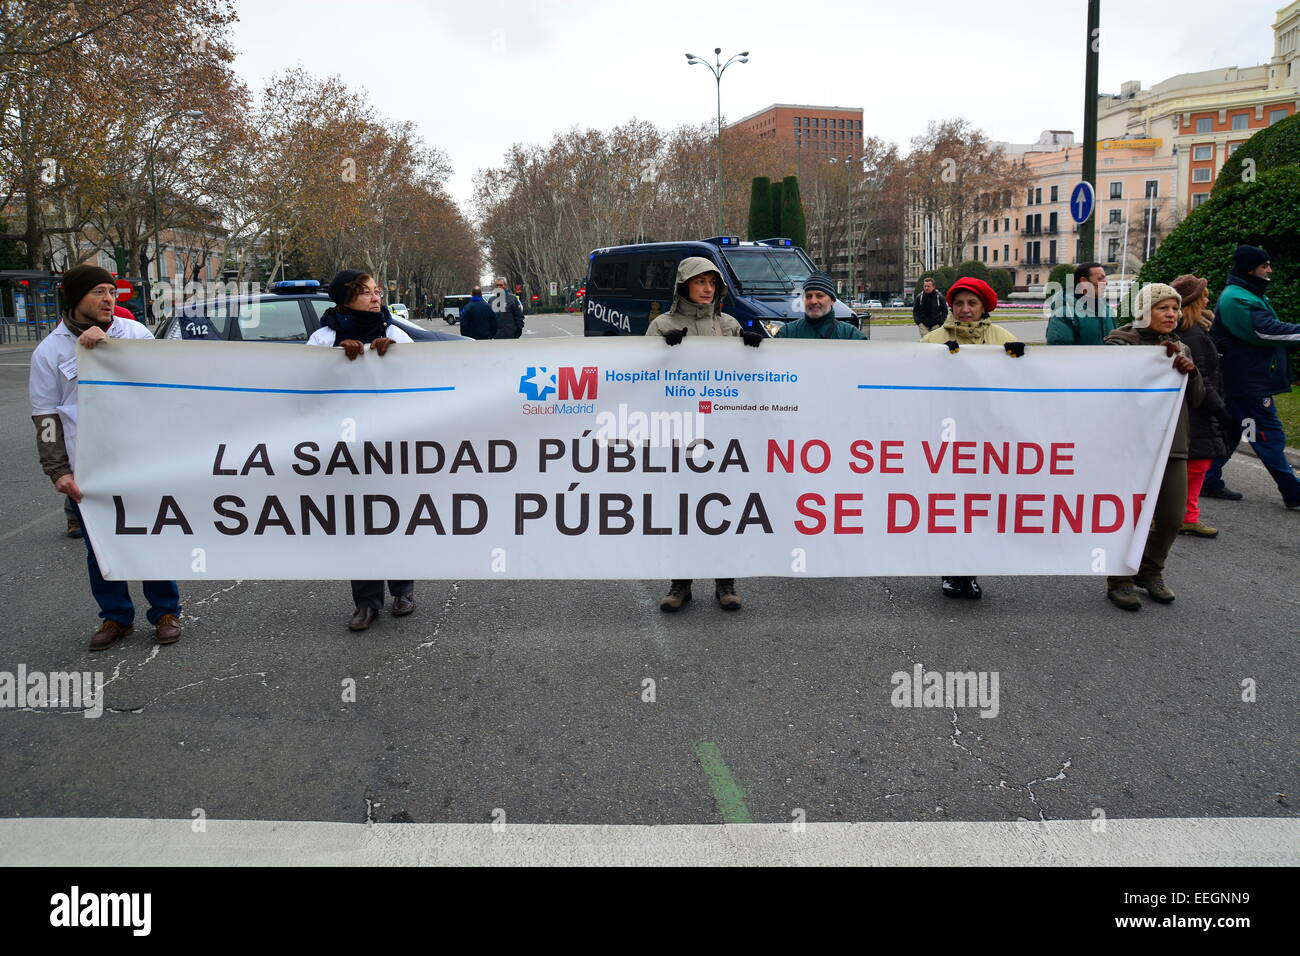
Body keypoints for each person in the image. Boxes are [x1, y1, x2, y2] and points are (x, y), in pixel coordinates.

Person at [30, 265, 183, 651]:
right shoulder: (49, 351)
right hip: (90, 468)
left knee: (150, 535)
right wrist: (58, 471)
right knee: (100, 547)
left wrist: (114, 349)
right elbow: (46, 417)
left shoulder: (134, 334)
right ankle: (115, 617)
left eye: (112, 292)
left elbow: (163, 381)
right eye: (99, 292)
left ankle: (165, 611)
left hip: (141, 460)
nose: (109, 299)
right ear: (76, 298)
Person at [646, 256, 760, 612]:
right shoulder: (662, 324)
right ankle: (681, 582)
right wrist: (661, 352)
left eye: (712, 283)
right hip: (681, 434)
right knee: (683, 512)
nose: (708, 289)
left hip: (723, 434)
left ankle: (725, 581)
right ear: (684, 286)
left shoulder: (727, 324)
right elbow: (642, 376)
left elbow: (751, 377)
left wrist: (755, 349)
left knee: (722, 507)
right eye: (700, 282)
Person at [308, 270, 416, 631]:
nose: (375, 297)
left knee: (396, 518)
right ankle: (366, 602)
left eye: (376, 291)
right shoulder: (324, 338)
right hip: (346, 447)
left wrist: (395, 359)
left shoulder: (396, 333)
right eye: (365, 292)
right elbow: (305, 385)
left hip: (391, 443)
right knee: (361, 523)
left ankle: (402, 591)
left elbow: (422, 380)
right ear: (344, 298)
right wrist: (336, 361)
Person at [923, 276, 1025, 600]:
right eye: (959, 303)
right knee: (951, 505)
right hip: (946, 435)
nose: (965, 309)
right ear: (950, 306)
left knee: (978, 506)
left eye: (972, 303)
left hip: (986, 436)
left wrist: (1019, 358)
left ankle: (970, 570)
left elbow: (1023, 382)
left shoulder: (1003, 338)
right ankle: (951, 572)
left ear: (983, 307)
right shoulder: (933, 340)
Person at [1103, 283, 1204, 611]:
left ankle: (1151, 571)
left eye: (1175, 309)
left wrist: (1191, 373)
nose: (1172, 315)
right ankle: (1120, 580)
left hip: (1171, 445)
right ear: (1145, 311)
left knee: (1172, 517)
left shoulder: (1181, 349)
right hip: (1130, 445)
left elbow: (1197, 399)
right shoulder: (1120, 342)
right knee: (1129, 518)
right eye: (1164, 308)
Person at [1201, 245, 1300, 509]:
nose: (1269, 270)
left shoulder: (1245, 293)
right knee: (1268, 435)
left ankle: (1208, 480)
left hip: (1243, 381)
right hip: (1248, 384)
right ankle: (1293, 491)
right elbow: (1266, 331)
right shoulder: (1237, 298)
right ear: (1249, 268)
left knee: (1233, 430)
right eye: (1264, 265)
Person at [1171, 274, 1234, 538]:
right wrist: (1219, 409)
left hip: (1195, 409)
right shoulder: (1194, 335)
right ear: (1194, 302)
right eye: (1203, 295)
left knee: (1196, 464)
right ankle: (1186, 516)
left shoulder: (1194, 331)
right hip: (1197, 410)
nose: (1208, 298)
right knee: (1196, 465)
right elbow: (1203, 378)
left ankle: (1187, 515)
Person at [776, 272, 865, 339]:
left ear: (833, 301)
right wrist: (762, 347)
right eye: (808, 296)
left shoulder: (850, 335)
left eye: (819, 296)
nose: (813, 301)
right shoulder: (787, 332)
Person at [1046, 262, 1116, 345]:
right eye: (1100, 279)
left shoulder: (1108, 311)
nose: (1106, 282)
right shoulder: (1063, 315)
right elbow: (1060, 353)